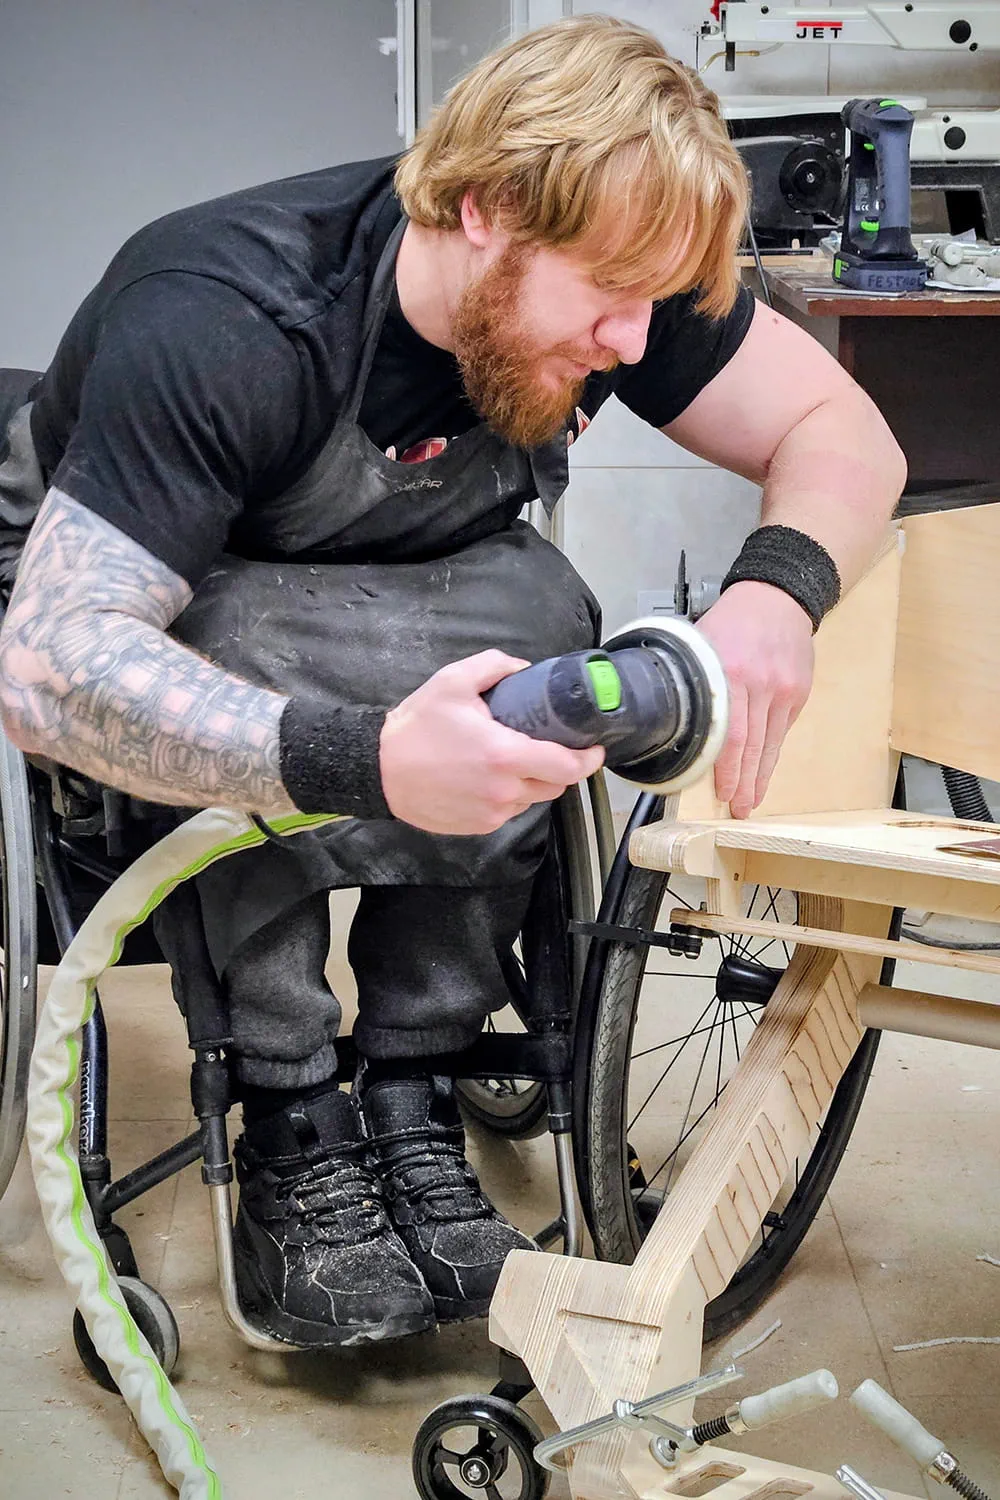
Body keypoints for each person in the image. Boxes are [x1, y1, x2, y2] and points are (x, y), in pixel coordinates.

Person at [0, 15, 905, 1347]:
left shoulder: (629, 274)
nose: (632, 340)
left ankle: (415, 1079)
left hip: (409, 580)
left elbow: (846, 433)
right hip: (175, 588)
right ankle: (289, 1106)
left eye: (653, 302)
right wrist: (362, 759)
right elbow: (51, 671)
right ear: (483, 209)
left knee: (537, 619)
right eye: (607, 296)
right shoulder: (227, 315)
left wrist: (779, 593)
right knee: (238, 640)